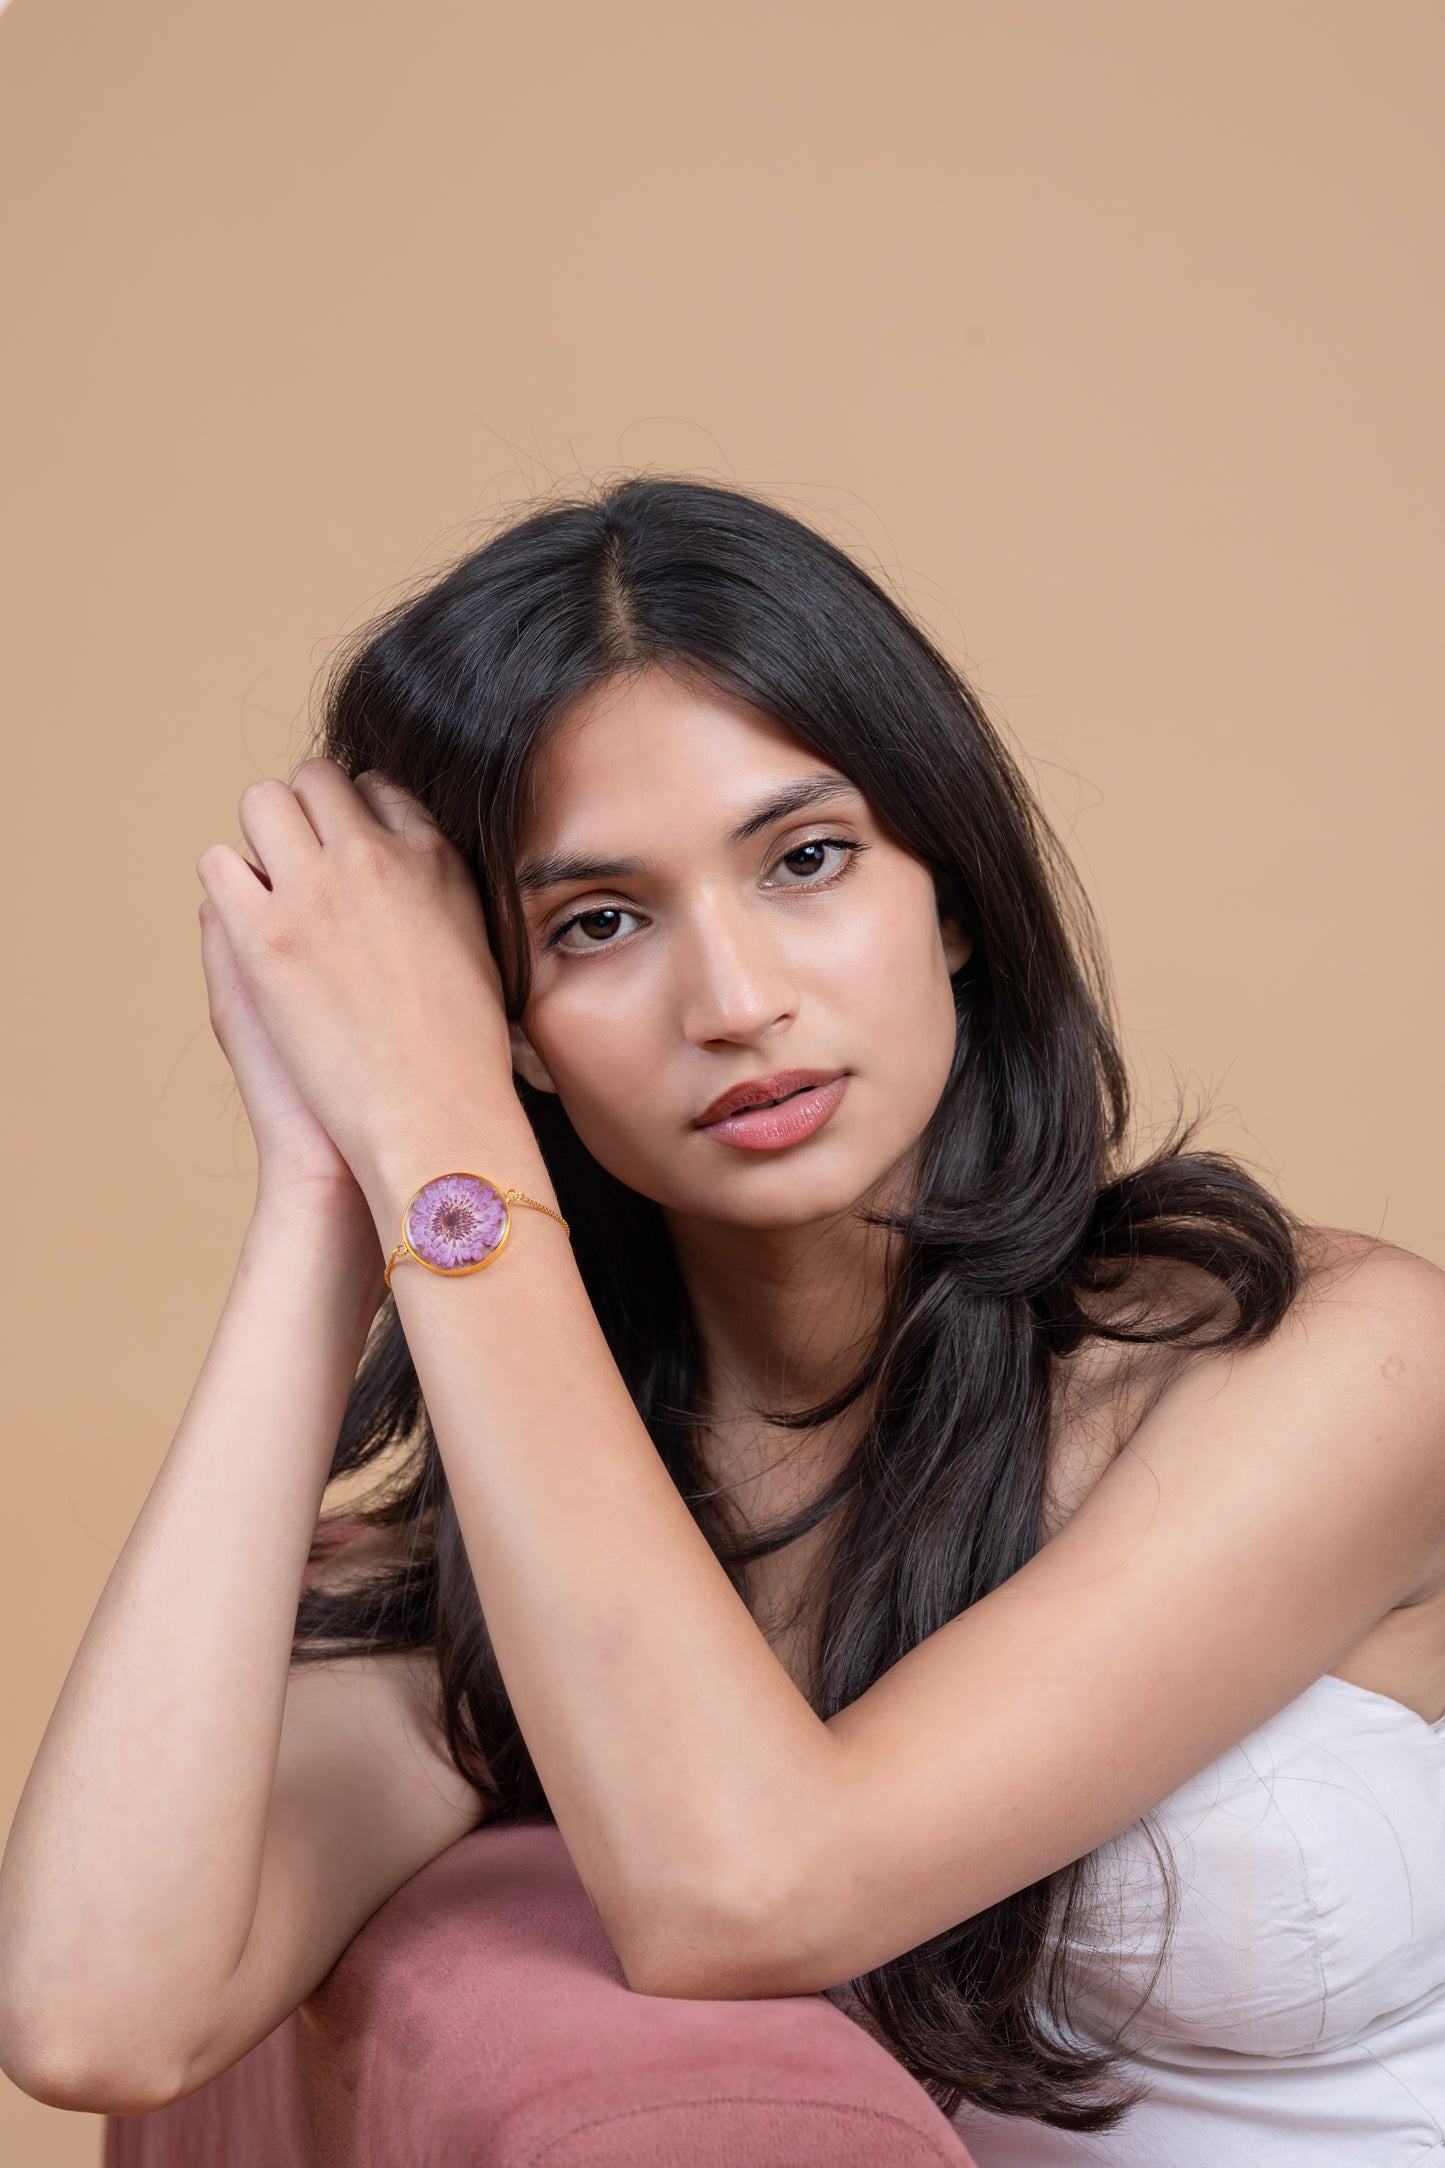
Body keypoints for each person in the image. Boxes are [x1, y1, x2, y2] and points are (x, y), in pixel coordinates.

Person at [2, 475, 1443, 2162]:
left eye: (807, 860)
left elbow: (754, 1892)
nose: (738, 1001)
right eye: (597, 922)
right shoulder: (516, 1584)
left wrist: (449, 1156)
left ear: (951, 898)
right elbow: (97, 2014)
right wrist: (342, 1186)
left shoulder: (1324, 1358)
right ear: (503, 1020)